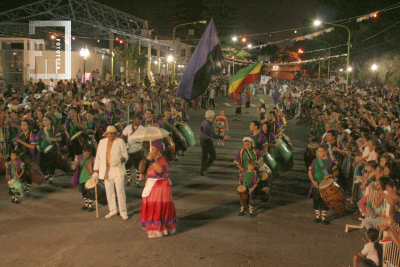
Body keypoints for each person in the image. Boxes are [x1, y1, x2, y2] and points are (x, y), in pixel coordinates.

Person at [139, 140, 178, 238]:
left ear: (159, 151)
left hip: (161, 186)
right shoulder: (154, 160)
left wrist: (151, 160)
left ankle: (159, 230)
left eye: (153, 149)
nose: (151, 150)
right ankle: (156, 228)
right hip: (153, 186)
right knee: (153, 206)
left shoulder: (162, 160)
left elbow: (160, 170)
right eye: (150, 149)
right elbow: (147, 170)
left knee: (157, 207)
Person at [92, 126, 128, 220]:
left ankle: (123, 211)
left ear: (115, 134)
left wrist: (121, 160)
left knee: (120, 191)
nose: (111, 135)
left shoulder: (120, 141)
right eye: (109, 133)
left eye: (113, 133)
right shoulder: (102, 142)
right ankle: (112, 210)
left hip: (118, 169)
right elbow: (98, 157)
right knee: (109, 191)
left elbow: (126, 155)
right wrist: (96, 171)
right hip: (106, 170)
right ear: (106, 134)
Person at [308, 144, 339, 225]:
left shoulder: (330, 161)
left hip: (326, 186)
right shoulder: (315, 161)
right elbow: (310, 171)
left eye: (322, 151)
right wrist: (313, 181)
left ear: (325, 152)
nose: (320, 153)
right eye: (319, 151)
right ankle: (317, 217)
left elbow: (336, 172)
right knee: (316, 200)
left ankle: (324, 217)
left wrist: (330, 176)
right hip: (316, 184)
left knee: (325, 201)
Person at [200, 110, 230, 176]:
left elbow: (201, 129)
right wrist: (223, 137)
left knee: (204, 155)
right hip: (207, 140)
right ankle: (204, 168)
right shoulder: (210, 124)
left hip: (202, 139)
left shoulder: (204, 122)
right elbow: (213, 135)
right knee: (213, 156)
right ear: (212, 116)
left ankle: (202, 170)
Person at [36, 115, 62, 184]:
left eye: (46, 120)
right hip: (42, 150)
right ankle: (46, 174)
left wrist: (51, 139)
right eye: (43, 120)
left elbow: (59, 138)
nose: (44, 122)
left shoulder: (54, 129)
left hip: (51, 149)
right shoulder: (42, 130)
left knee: (51, 163)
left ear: (50, 121)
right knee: (41, 164)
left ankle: (50, 176)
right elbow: (38, 138)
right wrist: (38, 145)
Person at [71, 145, 95, 212]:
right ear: (83, 152)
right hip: (81, 178)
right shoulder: (78, 157)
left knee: (90, 192)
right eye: (87, 154)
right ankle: (86, 204)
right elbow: (74, 164)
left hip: (89, 178)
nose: (88, 155)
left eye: (89, 154)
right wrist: (74, 166)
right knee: (83, 192)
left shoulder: (93, 158)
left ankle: (90, 205)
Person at [121, 115, 144, 187]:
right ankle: (129, 179)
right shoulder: (128, 128)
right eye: (138, 119)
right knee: (127, 165)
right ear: (134, 119)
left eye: (139, 120)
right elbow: (123, 135)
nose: (139, 121)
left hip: (138, 148)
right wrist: (125, 143)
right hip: (129, 147)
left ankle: (137, 182)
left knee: (137, 165)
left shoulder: (141, 128)